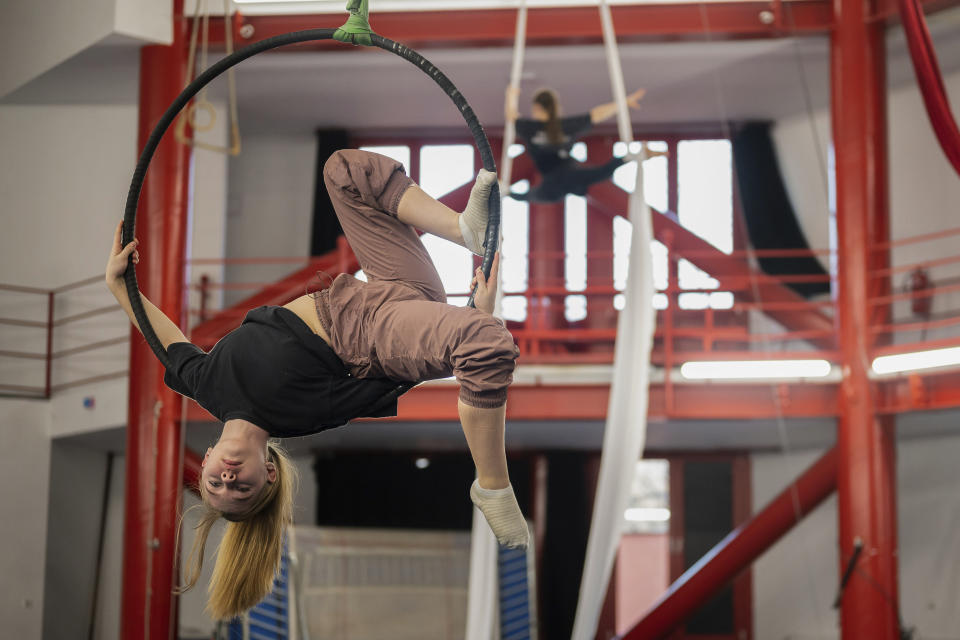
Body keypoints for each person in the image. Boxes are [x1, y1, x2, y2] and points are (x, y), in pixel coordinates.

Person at [105, 149, 528, 620]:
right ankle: (492, 486)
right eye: (240, 489)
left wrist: (122, 289)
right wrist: (475, 319)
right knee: (487, 343)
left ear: (204, 464)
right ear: (266, 474)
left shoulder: (206, 386)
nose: (227, 479)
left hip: (380, 286)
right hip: (373, 332)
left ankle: (462, 229)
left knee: (343, 172)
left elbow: (168, 344)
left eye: (215, 485)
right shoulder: (301, 416)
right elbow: (395, 378)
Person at [504, 86, 666, 202]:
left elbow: (511, 115)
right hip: (569, 175)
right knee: (602, 172)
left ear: (536, 107)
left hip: (557, 178)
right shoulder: (566, 126)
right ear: (556, 107)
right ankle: (636, 155)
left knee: (536, 195)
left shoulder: (529, 127)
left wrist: (511, 96)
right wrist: (623, 103)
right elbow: (597, 114)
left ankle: (508, 192)